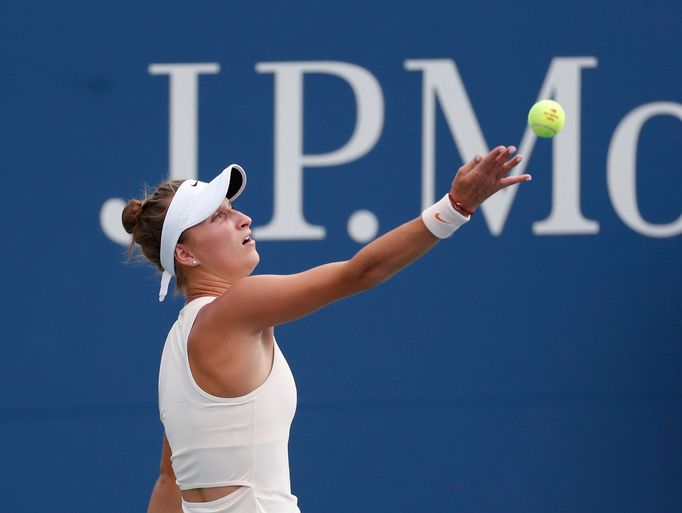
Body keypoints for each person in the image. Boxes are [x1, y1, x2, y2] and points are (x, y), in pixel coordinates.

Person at [122, 146, 530, 513]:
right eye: (219, 216)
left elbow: (170, 480)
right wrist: (455, 206)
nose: (244, 218)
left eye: (233, 208)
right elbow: (359, 274)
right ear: (185, 253)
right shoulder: (235, 308)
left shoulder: (177, 343)